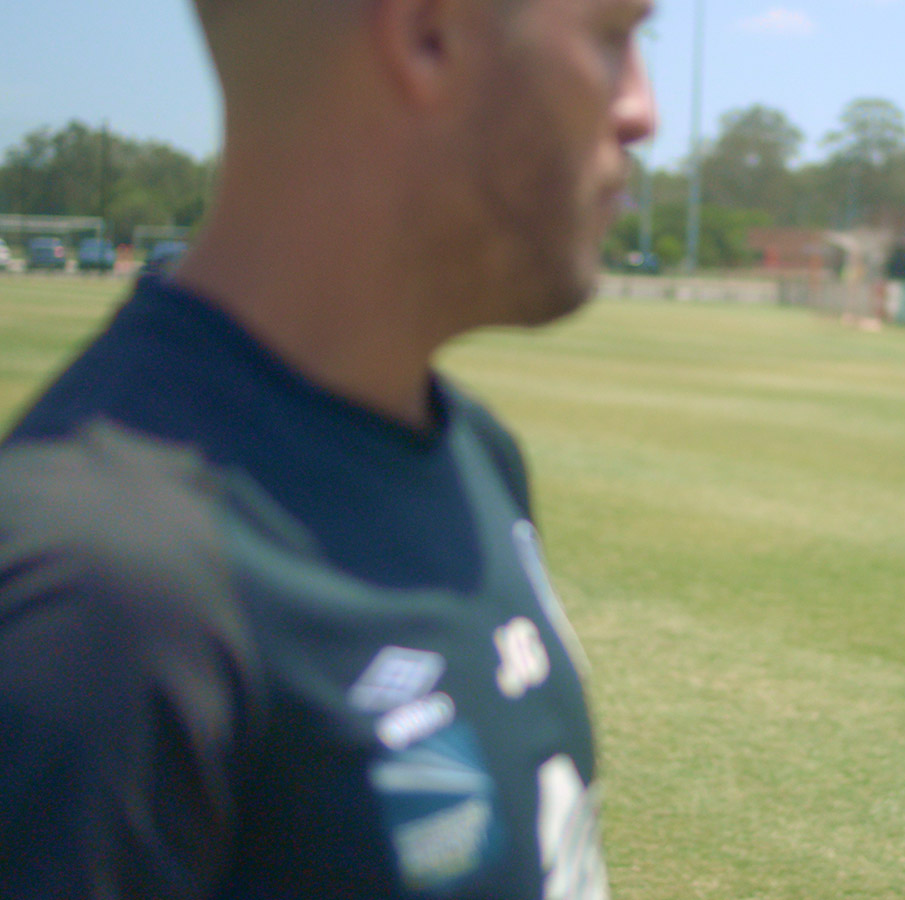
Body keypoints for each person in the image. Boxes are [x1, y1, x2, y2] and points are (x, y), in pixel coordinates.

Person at [0, 0, 655, 896]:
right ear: (428, 35)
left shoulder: (478, 453)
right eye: (613, 36)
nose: (643, 109)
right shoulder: (98, 596)